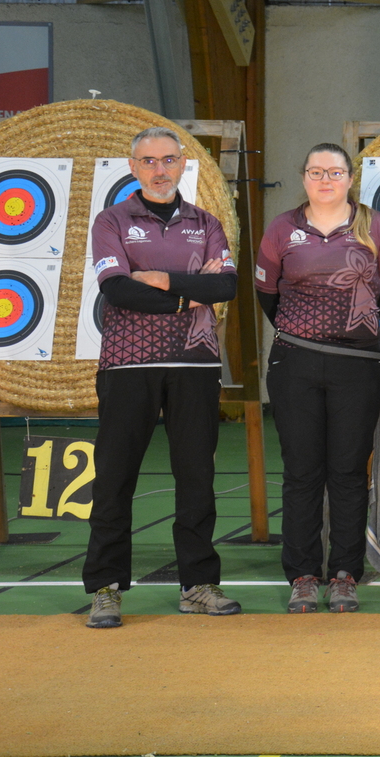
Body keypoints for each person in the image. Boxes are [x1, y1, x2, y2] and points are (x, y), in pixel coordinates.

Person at [83, 126, 241, 628]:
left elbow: (226, 286)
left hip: (195, 364)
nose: (159, 169)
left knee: (197, 477)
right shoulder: (111, 221)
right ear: (133, 167)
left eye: (168, 159)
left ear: (182, 164)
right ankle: (105, 588)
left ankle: (198, 585)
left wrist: (161, 279)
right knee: (114, 478)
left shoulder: (206, 222)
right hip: (128, 364)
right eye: (148, 161)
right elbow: (117, 290)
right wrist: (187, 296)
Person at [255, 143, 380, 613]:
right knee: (301, 472)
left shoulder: (377, 227)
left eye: (334, 172)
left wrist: (346, 331)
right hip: (294, 363)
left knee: (348, 471)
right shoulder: (282, 227)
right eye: (315, 171)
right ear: (303, 177)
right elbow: (267, 293)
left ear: (350, 179)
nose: (325, 180)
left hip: (356, 365)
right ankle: (302, 574)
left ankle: (344, 574)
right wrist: (306, 332)